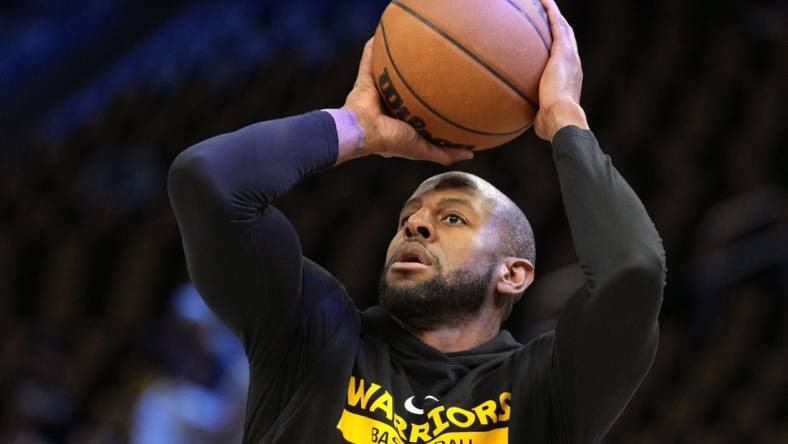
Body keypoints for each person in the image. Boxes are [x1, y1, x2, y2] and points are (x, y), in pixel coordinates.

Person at [167, 0, 666, 442]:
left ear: (513, 274)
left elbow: (633, 271)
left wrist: (563, 116)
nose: (416, 226)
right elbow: (208, 181)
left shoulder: (545, 389)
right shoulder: (314, 334)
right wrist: (354, 129)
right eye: (407, 218)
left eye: (452, 218)